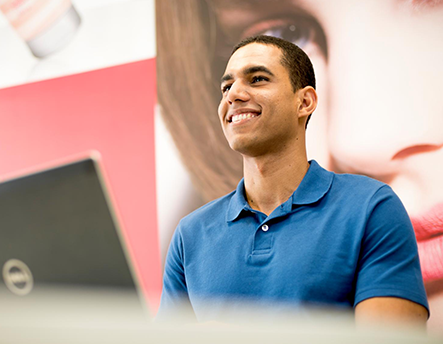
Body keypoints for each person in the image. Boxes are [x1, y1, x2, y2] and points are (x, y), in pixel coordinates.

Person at [156, 0, 443, 330]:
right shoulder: (190, 235)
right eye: (227, 86)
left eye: (258, 78)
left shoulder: (372, 206)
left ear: (305, 101)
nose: (234, 95)